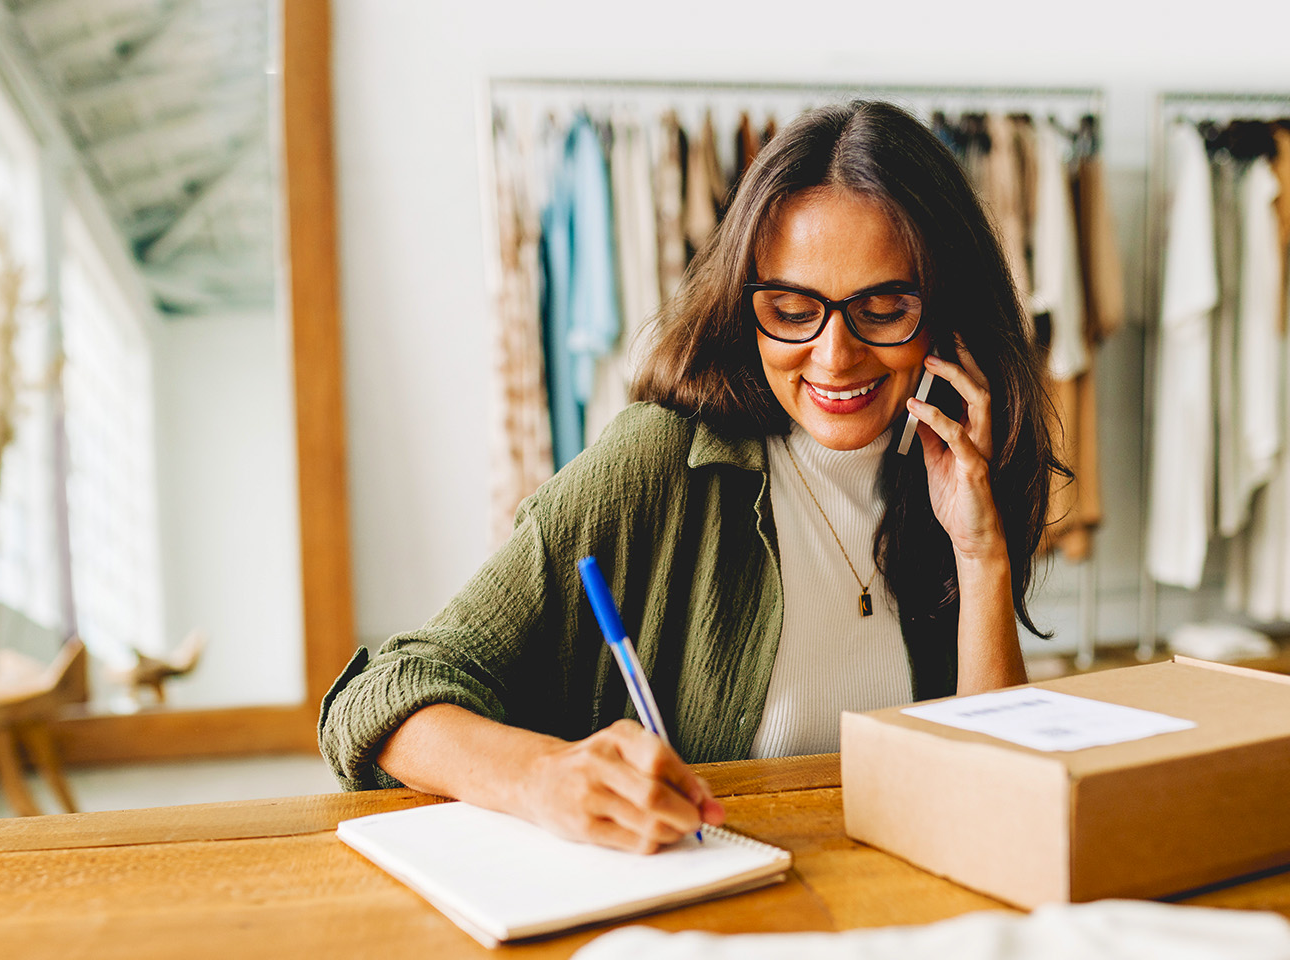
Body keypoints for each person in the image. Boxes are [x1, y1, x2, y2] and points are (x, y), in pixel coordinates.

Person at [318, 101, 1064, 855]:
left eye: (883, 307)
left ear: (946, 314)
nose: (835, 356)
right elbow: (378, 695)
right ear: (750, 306)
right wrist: (542, 775)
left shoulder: (947, 476)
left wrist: (980, 555)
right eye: (793, 308)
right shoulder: (660, 461)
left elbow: (996, 797)